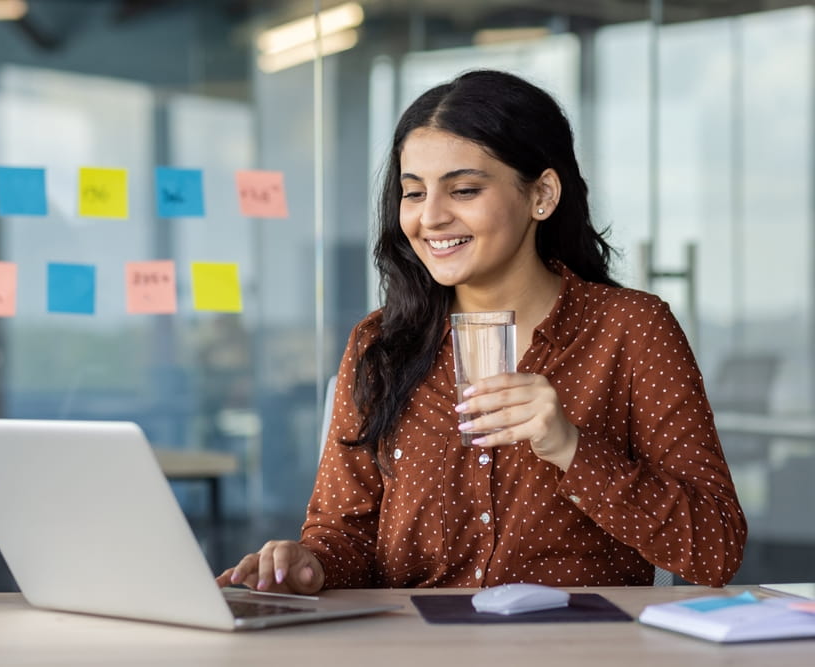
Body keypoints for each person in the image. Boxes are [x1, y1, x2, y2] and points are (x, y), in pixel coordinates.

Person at [217, 69, 747, 593]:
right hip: (417, 646)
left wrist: (570, 447)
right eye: (414, 193)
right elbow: (345, 535)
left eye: (464, 190)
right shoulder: (380, 344)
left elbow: (716, 550)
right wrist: (309, 564)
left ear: (542, 195)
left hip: (577, 647)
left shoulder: (630, 330)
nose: (431, 218)